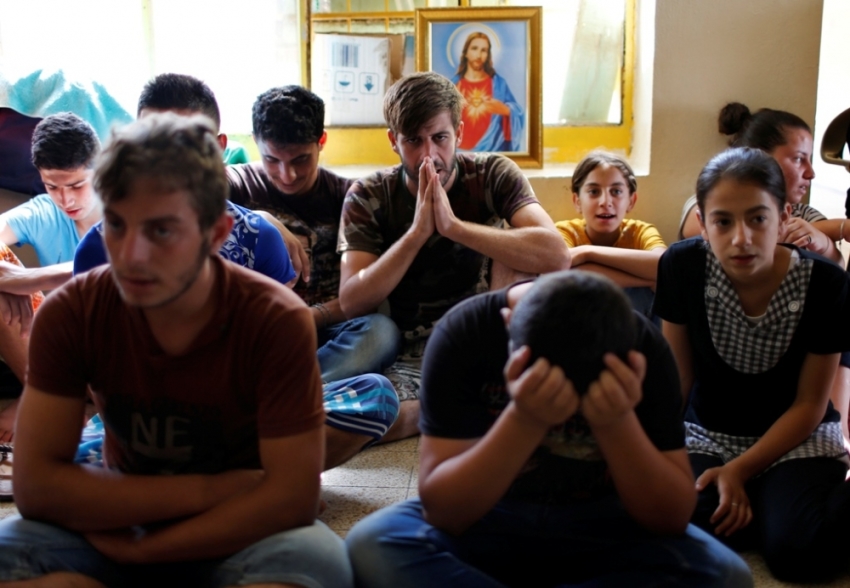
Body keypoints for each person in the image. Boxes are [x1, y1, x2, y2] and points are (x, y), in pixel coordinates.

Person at [0, 113, 354, 586]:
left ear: (216, 234)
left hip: (235, 526)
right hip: (130, 513)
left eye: (161, 231)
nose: (131, 255)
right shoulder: (73, 312)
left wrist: (147, 552)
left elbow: (290, 499)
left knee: (320, 562)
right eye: (118, 225)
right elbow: (37, 487)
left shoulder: (276, 319)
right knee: (10, 550)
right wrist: (207, 489)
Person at [346, 270, 753, 587]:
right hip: (490, 518)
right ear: (509, 328)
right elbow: (444, 510)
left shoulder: (640, 346)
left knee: (727, 574)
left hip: (605, 525)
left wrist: (616, 422)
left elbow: (670, 517)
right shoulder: (466, 332)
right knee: (372, 545)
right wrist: (524, 420)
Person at [74, 75, 397, 468]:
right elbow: (100, 376)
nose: (168, 164)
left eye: (186, 145)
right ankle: (241, 469)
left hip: (245, 403)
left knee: (377, 395)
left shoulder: (257, 235)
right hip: (149, 422)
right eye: (151, 144)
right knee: (80, 454)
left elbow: (275, 351)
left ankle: (230, 464)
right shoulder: (96, 251)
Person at [338, 71, 570, 438]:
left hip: (490, 338)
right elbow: (351, 301)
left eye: (440, 138)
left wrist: (455, 228)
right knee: (382, 418)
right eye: (413, 140)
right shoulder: (369, 194)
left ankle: (482, 390)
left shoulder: (493, 173)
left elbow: (557, 254)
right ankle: (457, 403)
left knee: (515, 247)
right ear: (393, 141)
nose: (429, 154)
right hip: (415, 350)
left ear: (459, 133)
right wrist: (416, 235)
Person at [656, 147, 850, 583]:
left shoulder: (826, 284)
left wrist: (738, 471)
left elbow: (809, 406)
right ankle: (771, 503)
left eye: (757, 218)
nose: (741, 237)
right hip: (709, 435)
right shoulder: (682, 267)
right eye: (723, 221)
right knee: (684, 525)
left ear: (783, 218)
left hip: (798, 438)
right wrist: (654, 455)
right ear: (702, 224)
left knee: (796, 552)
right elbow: (678, 379)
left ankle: (778, 501)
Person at [227, 85, 401, 384]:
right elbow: (181, 196)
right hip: (253, 332)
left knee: (381, 332)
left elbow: (365, 298)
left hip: (323, 331)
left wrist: (311, 316)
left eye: (300, 160)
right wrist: (259, 217)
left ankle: (288, 391)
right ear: (256, 142)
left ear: (321, 141)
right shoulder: (239, 182)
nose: (286, 175)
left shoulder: (350, 197)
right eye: (272, 160)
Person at [555, 151, 665, 318]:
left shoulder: (641, 231)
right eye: (593, 192)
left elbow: (664, 266)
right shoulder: (564, 231)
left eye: (616, 192)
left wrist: (587, 253)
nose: (605, 202)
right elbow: (563, 271)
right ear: (577, 201)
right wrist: (648, 280)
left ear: (631, 201)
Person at [451, 32, 523, 152]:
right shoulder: (453, 85)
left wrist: (505, 110)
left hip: (493, 151)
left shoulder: (499, 85)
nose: (478, 55)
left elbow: (519, 113)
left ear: (488, 54)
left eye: (484, 50)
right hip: (458, 154)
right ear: (466, 52)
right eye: (474, 48)